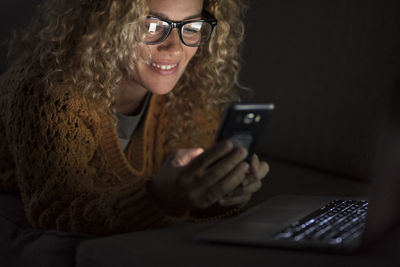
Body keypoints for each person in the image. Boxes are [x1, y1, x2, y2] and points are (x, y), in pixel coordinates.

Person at [0, 0, 269, 236]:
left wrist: (218, 194)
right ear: (105, 24)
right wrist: (160, 198)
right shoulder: (50, 90)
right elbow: (59, 212)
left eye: (192, 27)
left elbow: (188, 202)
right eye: (151, 27)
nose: (174, 48)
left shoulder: (191, 90)